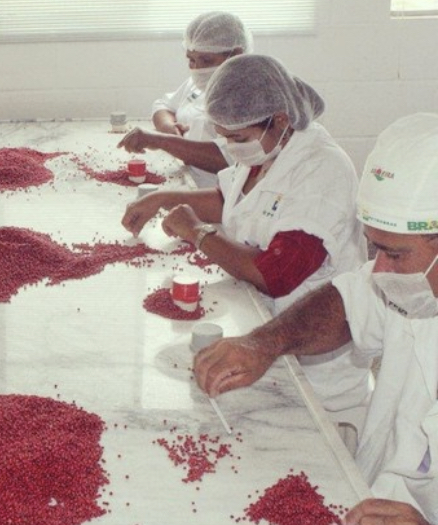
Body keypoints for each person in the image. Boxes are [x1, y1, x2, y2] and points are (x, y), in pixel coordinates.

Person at [193, 113, 438, 525]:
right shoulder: (409, 284)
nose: (379, 269)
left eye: (395, 254)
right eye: (375, 249)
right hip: (376, 493)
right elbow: (346, 302)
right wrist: (265, 342)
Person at [120, 54, 372, 427]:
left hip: (315, 373)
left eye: (237, 138)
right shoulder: (267, 148)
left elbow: (275, 275)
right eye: (224, 136)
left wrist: (198, 233)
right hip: (261, 335)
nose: (231, 146)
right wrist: (165, 198)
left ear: (280, 120)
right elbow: (234, 201)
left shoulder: (320, 172)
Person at [126, 11, 252, 187]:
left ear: (236, 54)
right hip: (187, 177)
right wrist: (169, 128)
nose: (197, 68)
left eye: (206, 60)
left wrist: (163, 141)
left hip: (216, 191)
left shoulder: (248, 95)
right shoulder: (200, 81)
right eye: (191, 60)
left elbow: (232, 158)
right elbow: (163, 106)